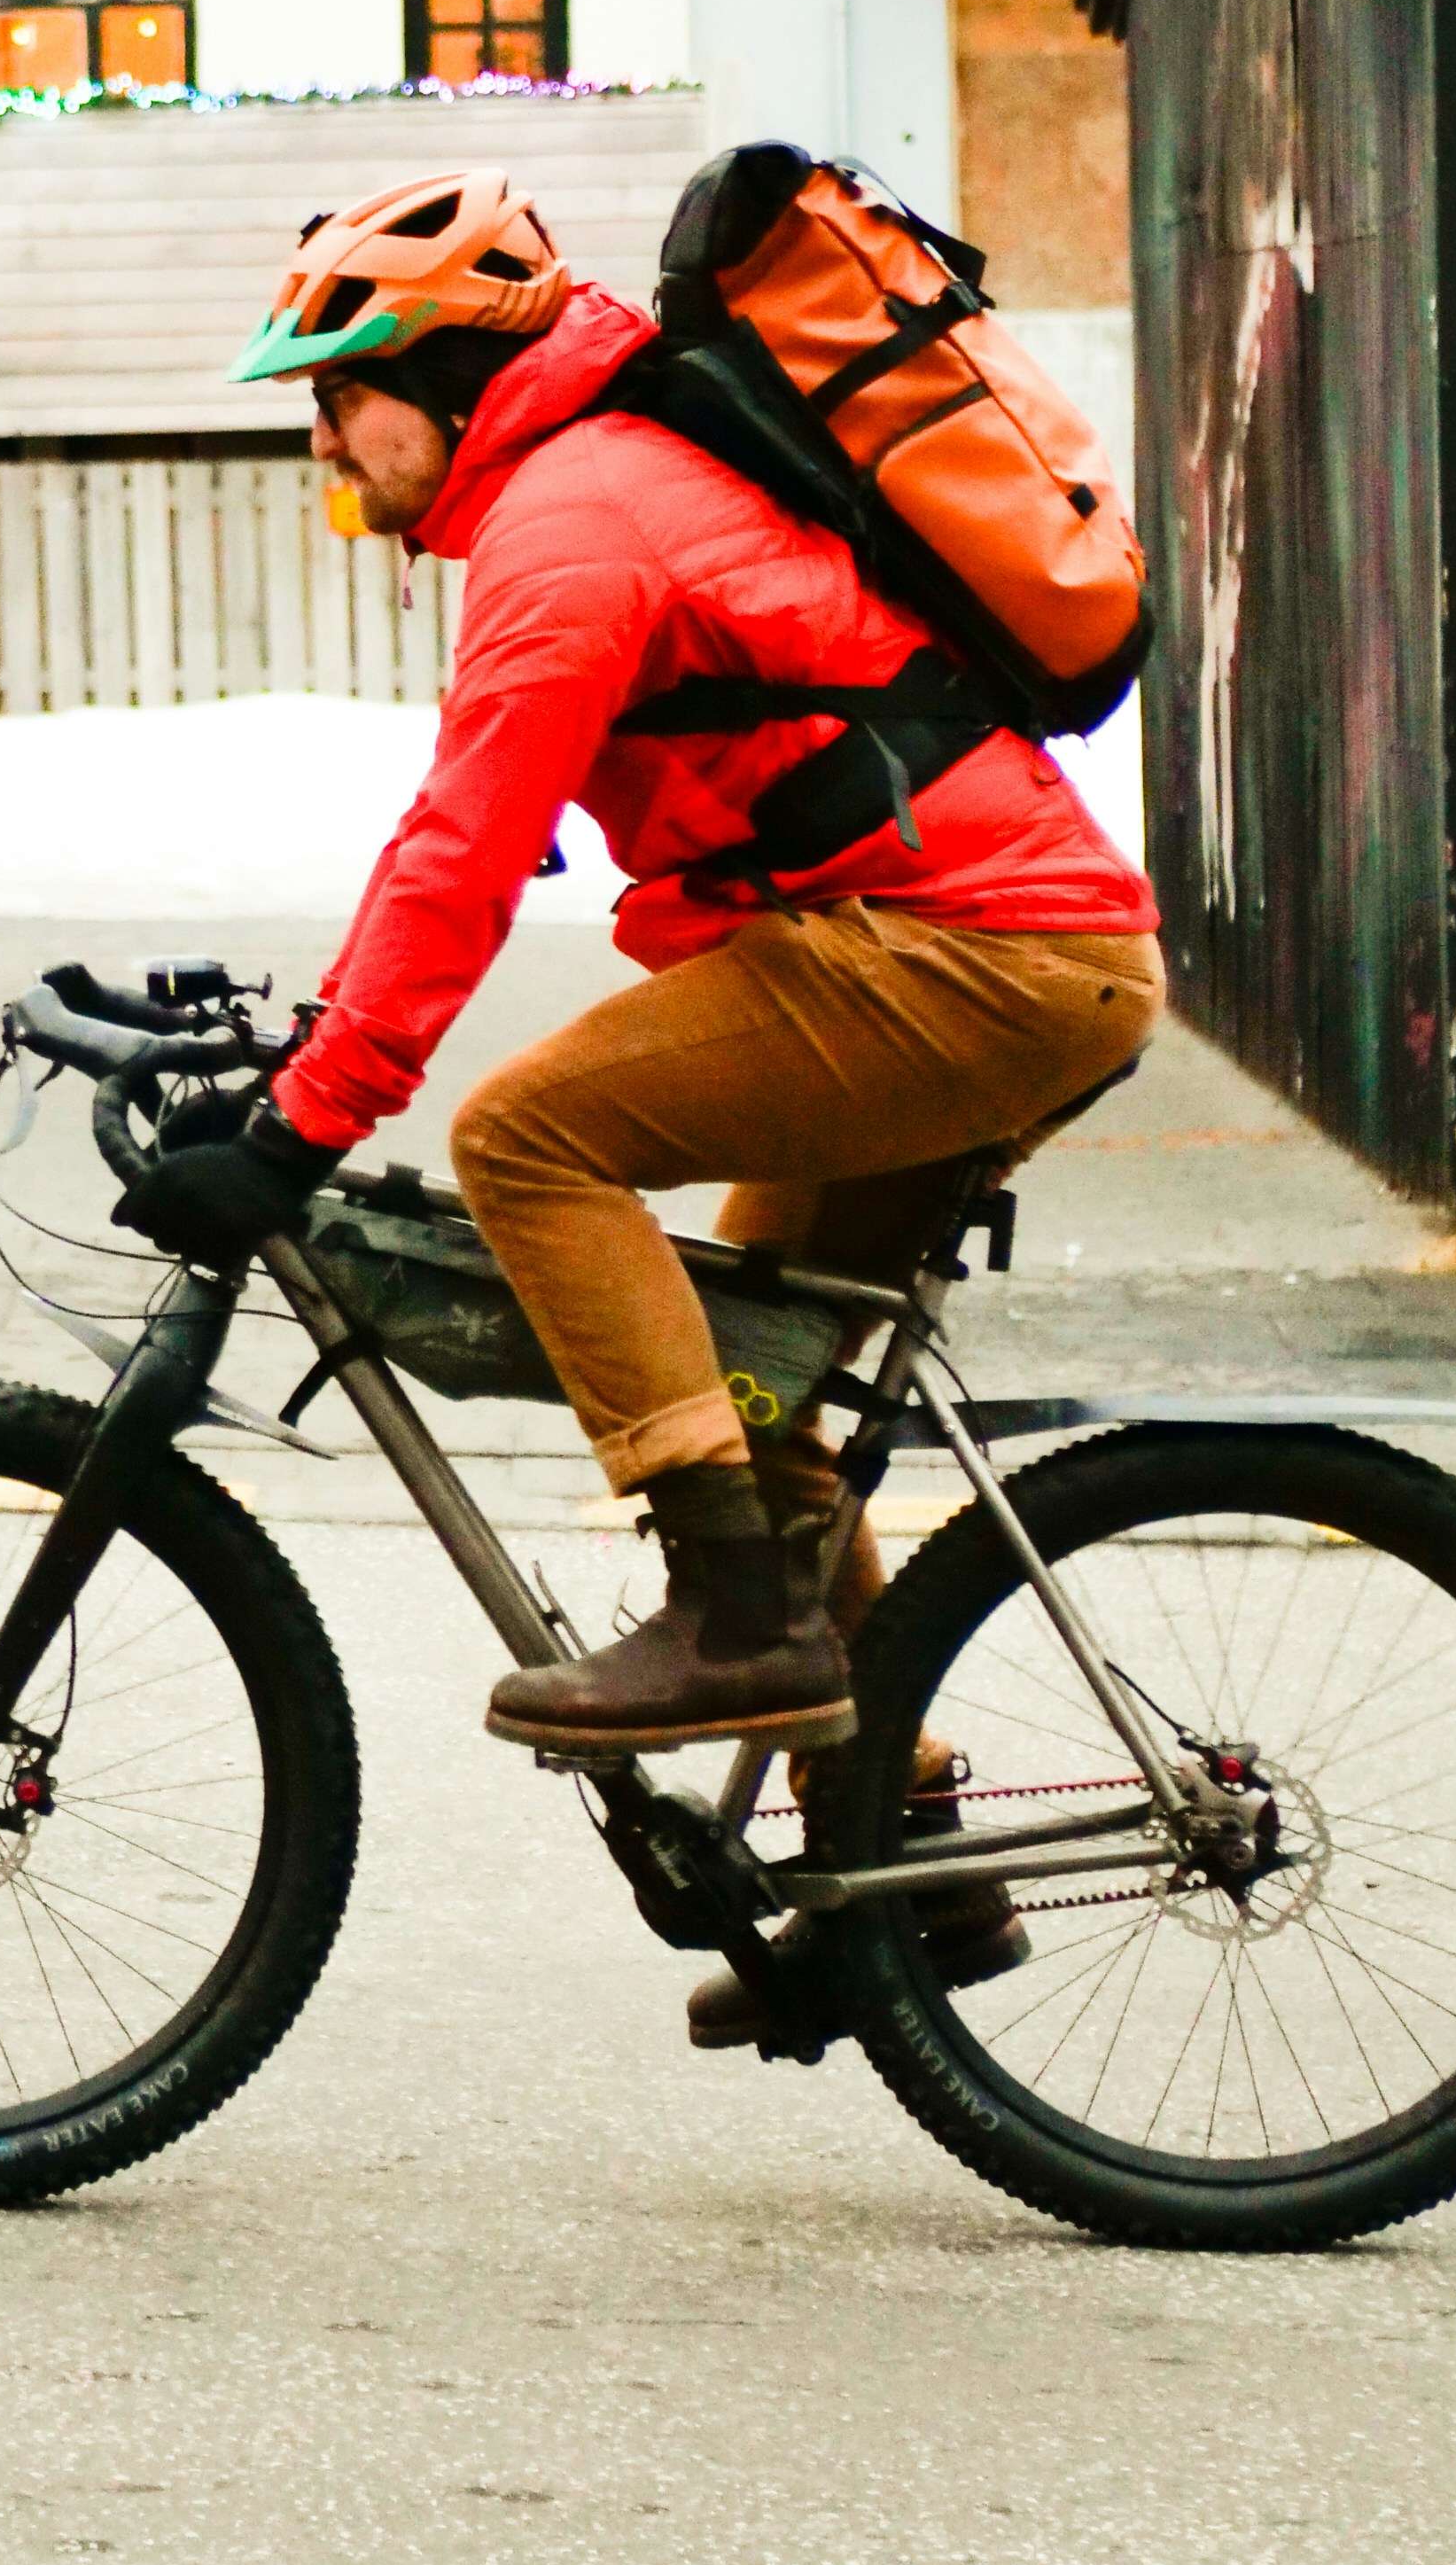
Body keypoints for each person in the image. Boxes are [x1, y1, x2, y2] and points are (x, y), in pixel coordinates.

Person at [119, 167, 1164, 1949]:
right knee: (759, 1367)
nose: (322, 446)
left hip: (973, 954)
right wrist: (320, 1052)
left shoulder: (574, 523)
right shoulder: (591, 491)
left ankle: (738, 1619)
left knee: (533, 1139)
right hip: (999, 951)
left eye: (334, 398)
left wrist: (306, 1122)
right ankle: (902, 1859)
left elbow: (462, 847)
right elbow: (463, 844)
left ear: (442, 386)